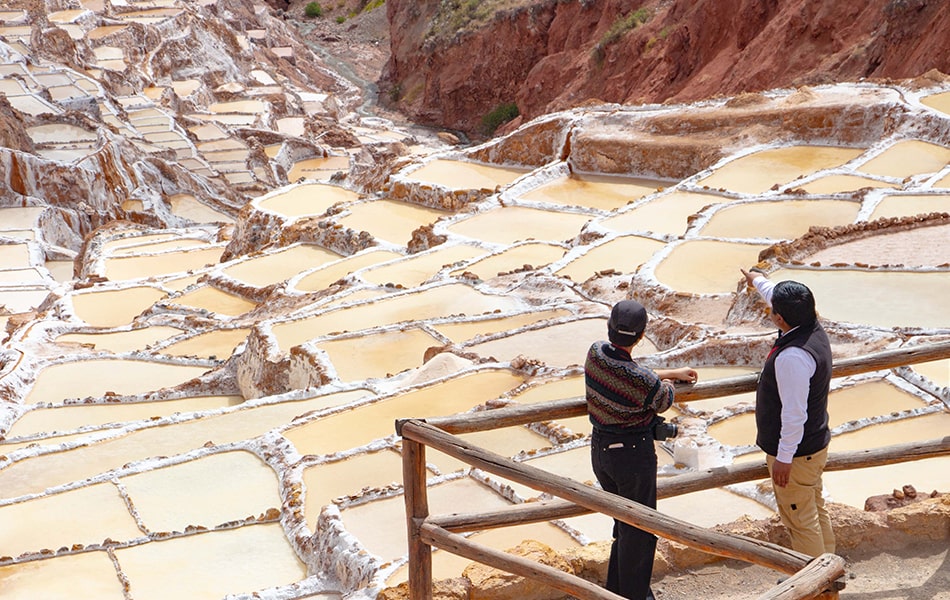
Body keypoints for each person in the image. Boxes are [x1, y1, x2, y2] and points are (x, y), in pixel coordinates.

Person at [585, 299, 698, 600]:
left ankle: (616, 592)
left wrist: (669, 372)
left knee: (622, 524)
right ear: (641, 335)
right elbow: (662, 399)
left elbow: (631, 372)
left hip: (601, 452)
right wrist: (672, 379)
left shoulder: (595, 354)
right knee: (640, 531)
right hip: (632, 456)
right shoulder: (644, 381)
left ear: (609, 328)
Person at [741, 268, 836, 557]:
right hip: (814, 446)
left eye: (773, 311)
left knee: (800, 521)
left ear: (779, 318)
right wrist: (756, 279)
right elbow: (775, 296)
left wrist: (784, 458)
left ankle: (816, 585)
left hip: (797, 455)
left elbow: (794, 413)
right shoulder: (811, 328)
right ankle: (832, 574)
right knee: (815, 510)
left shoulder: (792, 357)